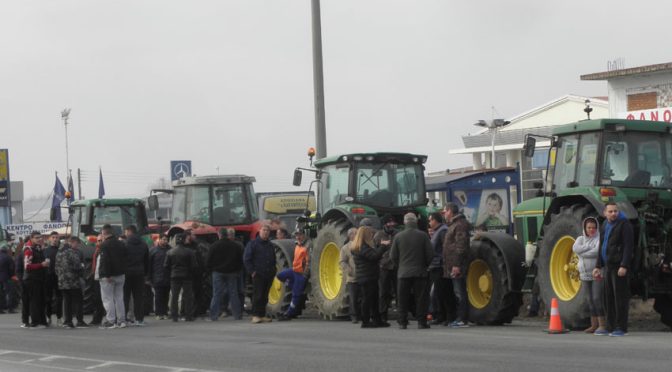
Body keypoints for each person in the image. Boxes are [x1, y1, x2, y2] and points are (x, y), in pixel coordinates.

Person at [593, 202, 634, 337]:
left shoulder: (624, 224)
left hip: (618, 267)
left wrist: (624, 265)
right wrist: (598, 266)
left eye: (615, 211)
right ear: (605, 213)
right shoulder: (605, 224)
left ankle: (621, 327)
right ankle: (609, 326)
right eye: (610, 211)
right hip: (608, 266)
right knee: (608, 297)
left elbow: (628, 247)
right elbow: (602, 246)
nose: (613, 213)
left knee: (620, 298)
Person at [390, 213, 434, 329]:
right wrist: (425, 265)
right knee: (421, 299)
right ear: (416, 222)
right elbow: (430, 254)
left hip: (403, 273)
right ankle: (421, 322)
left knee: (402, 298)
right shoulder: (423, 236)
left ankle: (402, 322)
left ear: (405, 222)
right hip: (420, 272)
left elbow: (393, 256)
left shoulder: (398, 236)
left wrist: (400, 266)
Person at [352, 226, 390, 328]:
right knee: (367, 299)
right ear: (365, 235)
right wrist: (382, 246)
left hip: (369, 276)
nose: (372, 235)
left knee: (373, 299)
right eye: (370, 234)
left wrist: (380, 248)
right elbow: (374, 256)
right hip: (367, 276)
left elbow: (373, 254)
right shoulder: (362, 247)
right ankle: (365, 321)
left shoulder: (361, 247)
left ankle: (377, 320)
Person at [572, 217, 605, 334]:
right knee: (589, 299)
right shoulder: (580, 239)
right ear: (584, 228)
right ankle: (593, 325)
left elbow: (597, 252)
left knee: (597, 298)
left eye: (594, 228)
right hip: (584, 274)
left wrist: (583, 252)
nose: (591, 230)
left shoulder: (599, 239)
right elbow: (575, 248)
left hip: (597, 272)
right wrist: (588, 247)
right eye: (589, 228)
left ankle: (602, 325)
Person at [443, 202, 472, 328]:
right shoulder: (454, 224)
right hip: (452, 264)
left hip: (457, 265)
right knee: (457, 292)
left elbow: (461, 246)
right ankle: (460, 317)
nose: (444, 214)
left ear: (450, 211)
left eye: (445, 211)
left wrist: (457, 264)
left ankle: (462, 319)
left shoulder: (460, 225)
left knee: (460, 292)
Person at [207, 228, 244, 321]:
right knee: (234, 294)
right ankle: (237, 315)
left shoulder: (214, 246)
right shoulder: (235, 246)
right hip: (232, 273)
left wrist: (211, 269)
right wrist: (236, 270)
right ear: (227, 235)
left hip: (218, 273)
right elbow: (240, 260)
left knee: (217, 294)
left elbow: (208, 261)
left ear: (219, 235)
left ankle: (213, 316)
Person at [243, 224, 276, 324]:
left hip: (269, 274)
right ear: (260, 231)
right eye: (264, 230)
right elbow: (246, 259)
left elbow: (273, 258)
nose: (266, 232)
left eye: (267, 230)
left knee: (265, 296)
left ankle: (262, 315)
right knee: (258, 295)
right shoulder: (253, 244)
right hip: (258, 274)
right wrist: (252, 271)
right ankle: (255, 315)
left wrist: (273, 271)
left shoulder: (270, 245)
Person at [427, 211, 455, 325]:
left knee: (444, 292)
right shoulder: (437, 231)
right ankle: (441, 316)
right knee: (438, 292)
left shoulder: (442, 230)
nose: (429, 222)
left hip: (440, 266)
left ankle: (449, 316)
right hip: (435, 265)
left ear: (435, 220)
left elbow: (445, 249)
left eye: (430, 220)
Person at [98, 224, 128, 329]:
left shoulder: (104, 245)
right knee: (119, 298)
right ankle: (122, 320)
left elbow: (105, 261)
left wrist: (107, 274)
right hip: (121, 275)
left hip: (109, 276)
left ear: (104, 233)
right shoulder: (121, 244)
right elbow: (125, 258)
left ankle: (111, 321)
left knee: (108, 298)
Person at [276, 229, 310, 321]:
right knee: (280, 275)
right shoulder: (297, 246)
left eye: (300, 235)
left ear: (304, 235)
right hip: (294, 271)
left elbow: (308, 263)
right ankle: (291, 284)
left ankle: (289, 313)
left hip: (300, 274)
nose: (298, 237)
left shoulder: (306, 247)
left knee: (296, 295)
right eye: (296, 235)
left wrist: (305, 275)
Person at [165, 232, 198, 322]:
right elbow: (194, 265)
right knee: (188, 296)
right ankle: (188, 316)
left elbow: (166, 265)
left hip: (174, 276)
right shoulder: (190, 252)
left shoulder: (170, 252)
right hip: (187, 276)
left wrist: (172, 271)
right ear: (184, 240)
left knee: (174, 297)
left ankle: (174, 316)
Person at [55, 236, 85, 329]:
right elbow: (77, 266)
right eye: (77, 243)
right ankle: (80, 321)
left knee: (67, 302)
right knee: (78, 301)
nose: (78, 246)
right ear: (72, 242)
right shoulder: (72, 253)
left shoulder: (59, 253)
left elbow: (56, 268)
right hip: (73, 281)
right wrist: (82, 267)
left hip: (62, 281)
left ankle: (67, 321)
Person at [123, 225, 149, 326]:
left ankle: (124, 318)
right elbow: (146, 260)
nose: (125, 234)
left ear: (129, 231)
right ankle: (139, 319)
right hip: (140, 273)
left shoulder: (125, 244)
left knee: (125, 296)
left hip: (127, 273)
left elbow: (122, 259)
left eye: (125, 231)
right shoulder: (144, 244)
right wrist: (145, 273)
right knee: (139, 297)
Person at [23, 231, 49, 328]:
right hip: (31, 279)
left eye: (40, 237)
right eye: (37, 237)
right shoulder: (28, 250)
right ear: (31, 238)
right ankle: (35, 322)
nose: (39, 239)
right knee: (34, 301)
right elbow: (27, 266)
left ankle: (42, 321)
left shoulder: (38, 249)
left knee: (41, 300)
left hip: (39, 278)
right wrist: (41, 265)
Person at [375, 214, 397, 322]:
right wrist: (381, 244)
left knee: (399, 291)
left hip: (396, 266)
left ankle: (402, 314)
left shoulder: (398, 234)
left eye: (393, 222)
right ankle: (383, 314)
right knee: (383, 292)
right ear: (385, 224)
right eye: (389, 222)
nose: (392, 224)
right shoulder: (378, 235)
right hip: (383, 267)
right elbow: (374, 250)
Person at [339, 227, 360, 323]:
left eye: (357, 233)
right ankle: (354, 316)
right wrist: (350, 271)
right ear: (350, 235)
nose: (357, 235)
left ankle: (363, 315)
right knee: (353, 298)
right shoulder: (345, 248)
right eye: (355, 233)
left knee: (363, 297)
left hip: (363, 276)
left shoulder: (361, 245)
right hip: (352, 278)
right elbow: (342, 262)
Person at [148, 235, 171, 320]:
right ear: (159, 240)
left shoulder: (170, 250)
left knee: (166, 296)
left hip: (167, 276)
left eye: (166, 239)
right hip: (157, 277)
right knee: (158, 296)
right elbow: (149, 266)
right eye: (164, 239)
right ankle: (158, 313)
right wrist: (148, 278)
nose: (165, 241)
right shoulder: (153, 251)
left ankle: (164, 312)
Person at [44, 231, 63, 326]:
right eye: (53, 237)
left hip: (59, 277)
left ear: (59, 239)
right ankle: (48, 317)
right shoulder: (45, 251)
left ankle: (59, 318)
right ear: (50, 238)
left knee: (59, 298)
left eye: (57, 237)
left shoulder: (61, 250)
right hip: (48, 277)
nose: (55, 239)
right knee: (48, 298)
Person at [89, 235, 106, 326]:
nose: (99, 242)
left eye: (101, 240)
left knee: (105, 299)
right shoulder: (96, 251)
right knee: (97, 299)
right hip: (95, 276)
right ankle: (97, 319)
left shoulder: (105, 251)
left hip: (103, 277)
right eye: (98, 241)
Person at [0, 242, 16, 314]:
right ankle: (10, 308)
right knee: (9, 293)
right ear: (6, 250)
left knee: (1, 293)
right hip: (7, 277)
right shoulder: (8, 258)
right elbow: (12, 268)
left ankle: (1, 309)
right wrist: (12, 275)